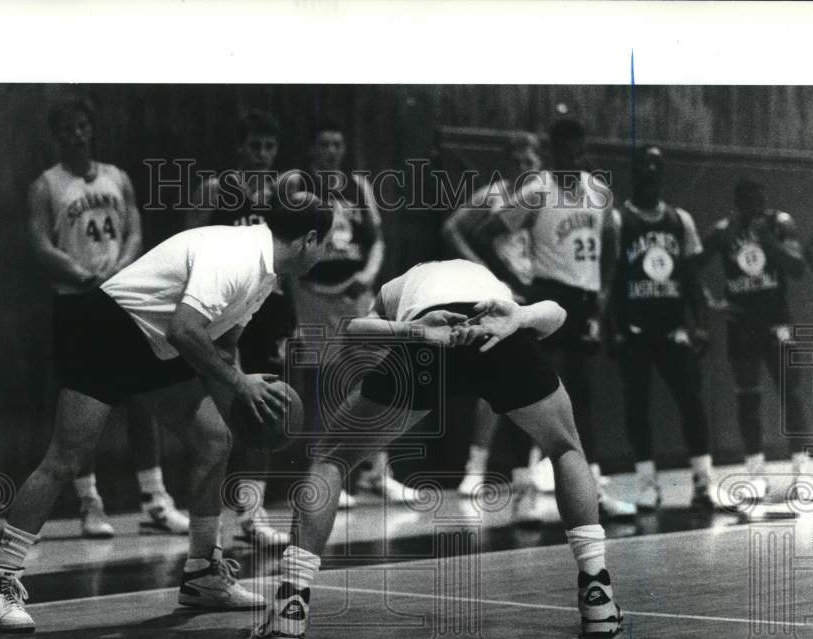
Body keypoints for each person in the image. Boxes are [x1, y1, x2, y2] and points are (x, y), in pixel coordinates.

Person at [0, 193, 333, 632]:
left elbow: (222, 345)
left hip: (156, 344)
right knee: (64, 461)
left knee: (214, 439)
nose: (326, 252)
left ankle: (203, 575)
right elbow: (186, 329)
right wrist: (241, 385)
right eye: (325, 243)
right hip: (109, 329)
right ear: (309, 240)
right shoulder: (237, 256)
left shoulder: (265, 274)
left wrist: (245, 396)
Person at [251, 258, 623, 639]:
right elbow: (556, 314)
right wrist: (520, 317)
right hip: (499, 338)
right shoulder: (488, 281)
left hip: (424, 343)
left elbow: (355, 331)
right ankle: (597, 596)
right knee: (565, 448)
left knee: (330, 458)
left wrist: (415, 330)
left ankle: (289, 610)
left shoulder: (400, 284)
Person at [29, 96, 188, 538]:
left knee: (143, 397)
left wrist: (120, 267)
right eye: (67, 127)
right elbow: (40, 243)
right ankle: (89, 502)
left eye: (82, 125)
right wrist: (80, 273)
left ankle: (155, 498)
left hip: (121, 295)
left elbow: (135, 228)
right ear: (56, 134)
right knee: (81, 405)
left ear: (91, 129)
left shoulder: (117, 177)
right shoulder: (46, 185)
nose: (76, 133)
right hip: (76, 299)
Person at [476, 117, 637, 520]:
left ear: (585, 151)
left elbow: (613, 244)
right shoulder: (536, 191)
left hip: (583, 302)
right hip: (546, 295)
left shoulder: (599, 193)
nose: (572, 157)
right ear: (551, 152)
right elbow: (487, 232)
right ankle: (522, 494)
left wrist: (602, 289)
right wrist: (514, 280)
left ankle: (592, 491)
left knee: (582, 396)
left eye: (578, 150)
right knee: (529, 391)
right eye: (563, 151)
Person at [283, 120, 419, 506]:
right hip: (313, 295)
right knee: (325, 386)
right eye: (324, 144)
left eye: (337, 143)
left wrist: (368, 274)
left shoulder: (359, 186)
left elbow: (376, 240)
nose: (331, 150)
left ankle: (377, 472)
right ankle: (325, 475)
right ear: (313, 150)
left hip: (357, 293)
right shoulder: (298, 188)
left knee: (376, 378)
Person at [184, 110, 295, 545]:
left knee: (265, 411)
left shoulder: (286, 196)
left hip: (268, 310)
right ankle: (205, 519)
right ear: (240, 148)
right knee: (217, 416)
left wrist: (293, 320)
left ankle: (252, 514)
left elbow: (290, 265)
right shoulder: (215, 190)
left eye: (270, 147)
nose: (263, 155)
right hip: (223, 309)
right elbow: (189, 245)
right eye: (256, 146)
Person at [441, 132, 556, 514]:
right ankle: (476, 467)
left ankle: (535, 465)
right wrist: (484, 271)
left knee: (541, 381)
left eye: (531, 160)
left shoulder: (547, 198)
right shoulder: (492, 196)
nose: (525, 167)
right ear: (506, 163)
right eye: (517, 161)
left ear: (539, 162)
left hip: (538, 292)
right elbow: (451, 229)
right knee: (494, 386)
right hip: (503, 294)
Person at [695, 179, 813, 499]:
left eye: (761, 202)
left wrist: (767, 241)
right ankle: (756, 473)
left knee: (790, 394)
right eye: (750, 203)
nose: (757, 209)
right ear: (738, 204)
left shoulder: (780, 224)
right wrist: (709, 301)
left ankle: (801, 470)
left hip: (776, 322)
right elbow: (690, 266)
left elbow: (796, 268)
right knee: (748, 399)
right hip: (742, 324)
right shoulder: (724, 230)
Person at [607, 146, 714, 510]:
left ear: (662, 171)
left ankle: (702, 483)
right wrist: (615, 328)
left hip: (673, 328)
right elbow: (611, 280)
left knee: (692, 403)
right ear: (633, 171)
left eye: (657, 165)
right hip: (636, 328)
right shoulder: (620, 220)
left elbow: (692, 278)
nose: (651, 170)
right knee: (637, 406)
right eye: (644, 165)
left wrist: (700, 323)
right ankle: (647, 484)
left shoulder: (680, 219)